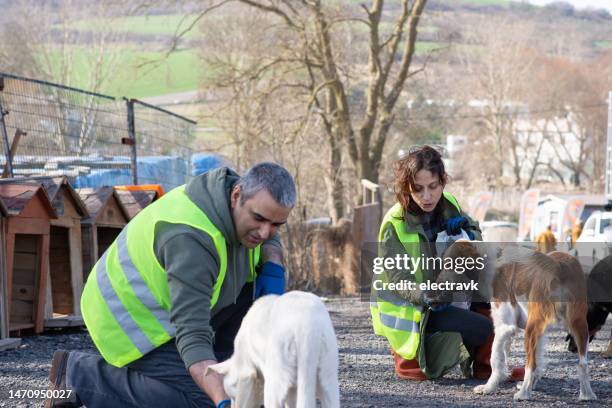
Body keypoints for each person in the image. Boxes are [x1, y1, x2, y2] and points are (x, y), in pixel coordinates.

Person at [45, 163, 296, 408]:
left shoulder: (240, 197)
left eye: (276, 225)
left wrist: (273, 261)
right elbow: (193, 336)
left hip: (177, 303)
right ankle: (78, 376)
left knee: (239, 378)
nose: (265, 233)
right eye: (259, 219)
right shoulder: (190, 241)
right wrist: (222, 399)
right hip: (129, 317)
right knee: (203, 400)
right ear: (236, 195)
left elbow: (268, 225)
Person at [370, 145, 523, 381]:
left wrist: (468, 232)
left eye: (433, 187)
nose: (427, 196)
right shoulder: (394, 223)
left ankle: (489, 366)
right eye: (417, 189)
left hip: (450, 291)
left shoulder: (449, 203)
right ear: (406, 188)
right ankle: (414, 359)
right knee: (485, 327)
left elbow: (476, 243)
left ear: (442, 181)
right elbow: (398, 280)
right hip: (417, 310)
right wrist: (427, 295)